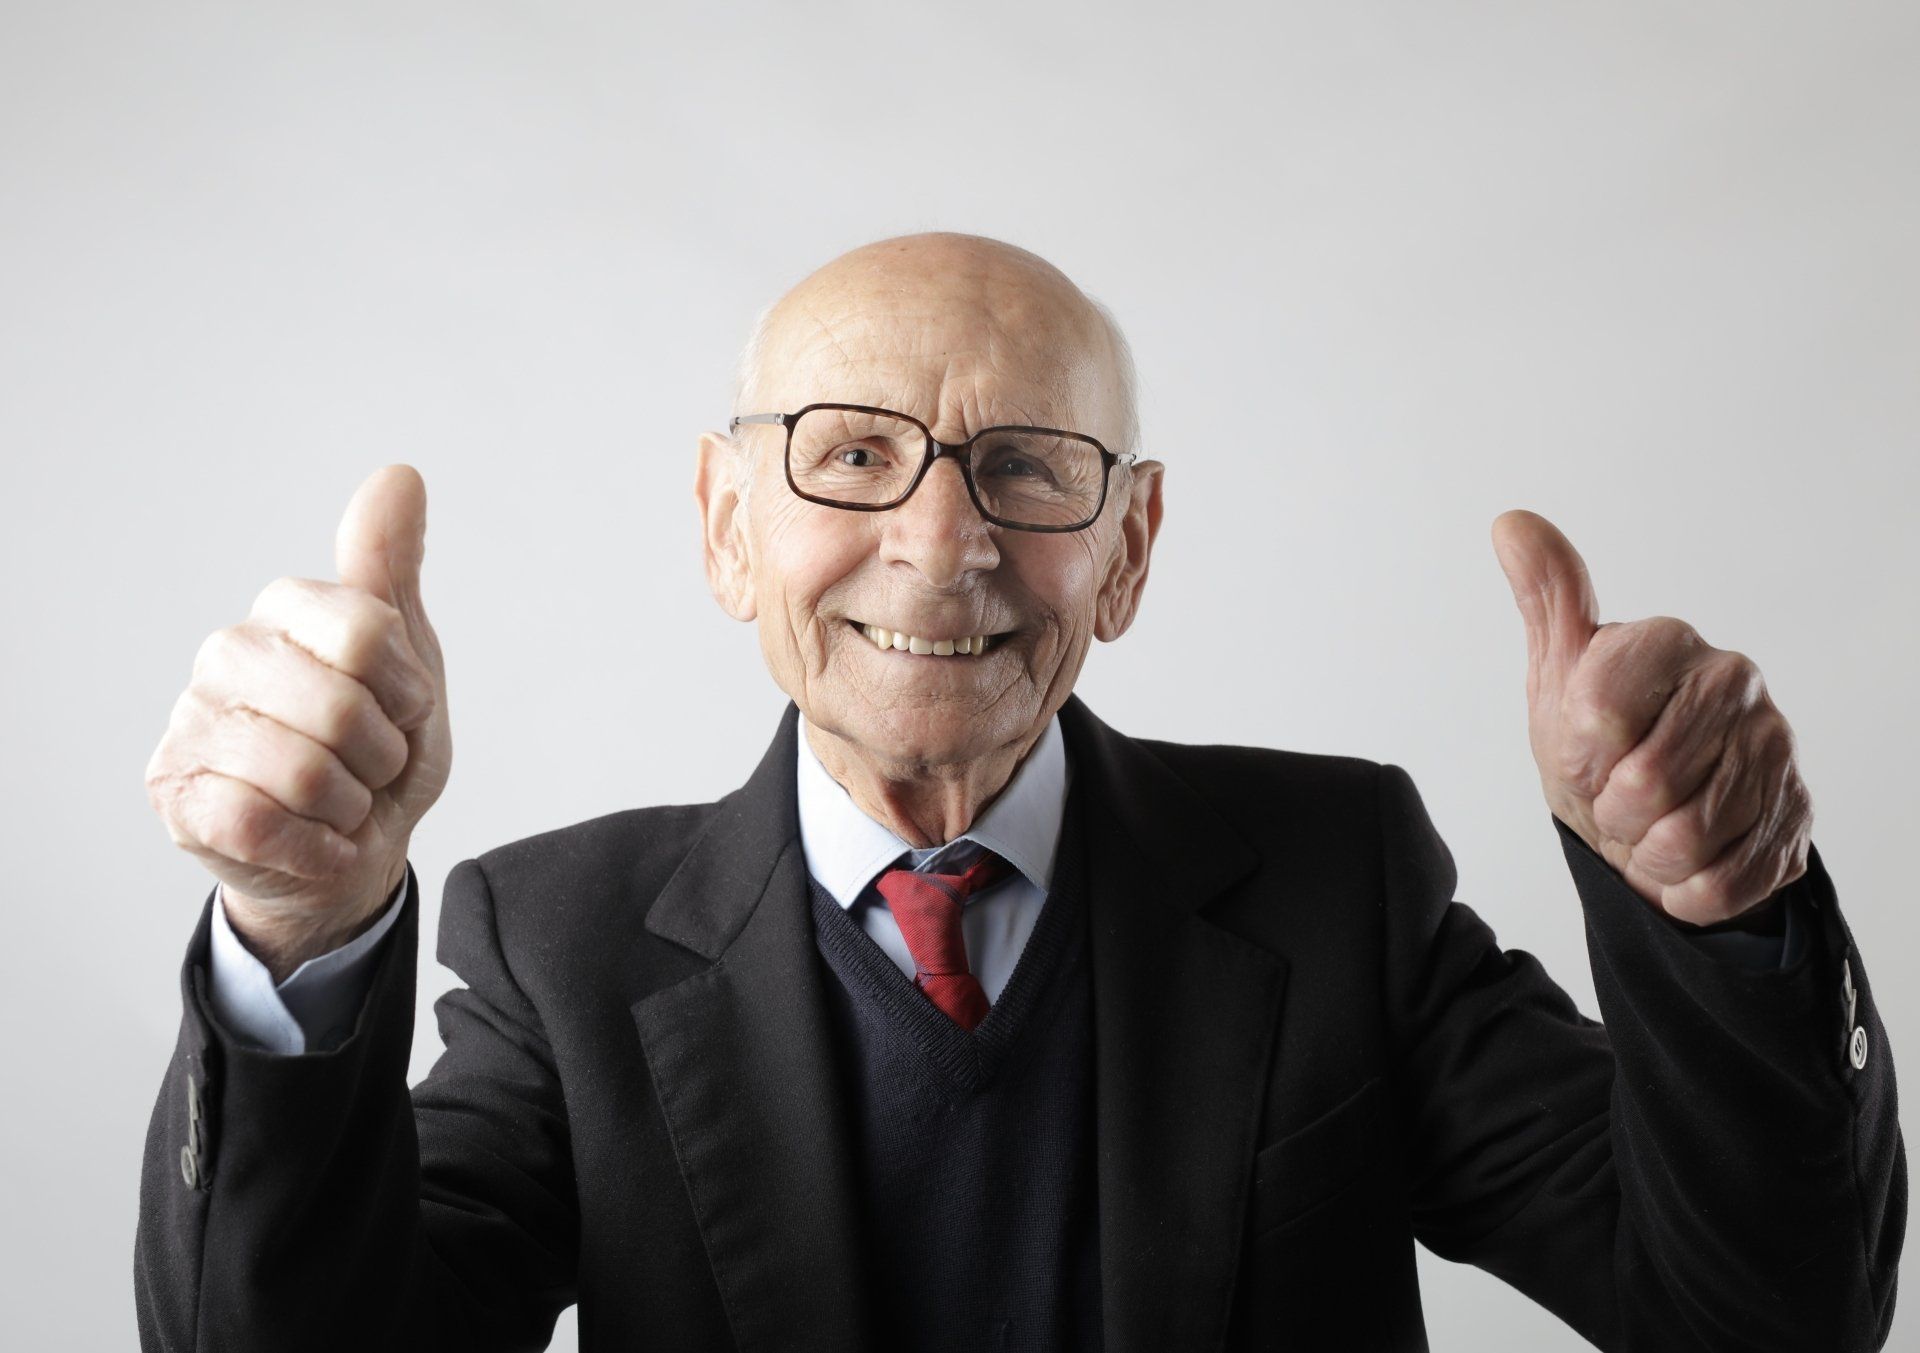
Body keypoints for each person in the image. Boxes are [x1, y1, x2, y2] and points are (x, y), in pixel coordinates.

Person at [135, 233, 1903, 1351]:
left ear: (1129, 551)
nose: (943, 539)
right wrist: (299, 929)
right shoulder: (564, 941)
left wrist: (1724, 909)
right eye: (851, 454)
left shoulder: (1330, 875)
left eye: (1028, 469)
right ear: (725, 526)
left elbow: (1758, 1319)